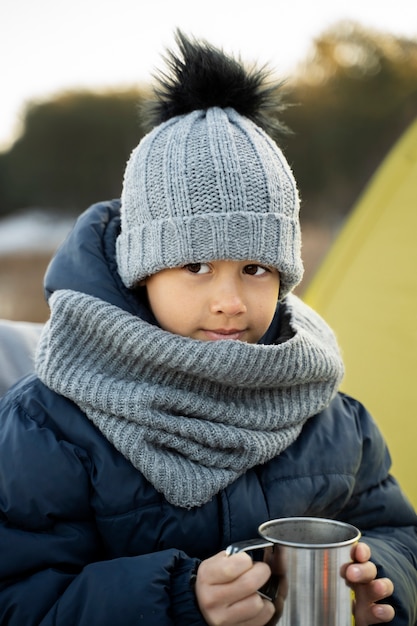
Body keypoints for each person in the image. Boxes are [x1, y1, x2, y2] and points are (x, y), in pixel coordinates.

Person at [0, 30, 416, 626]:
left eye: (255, 269)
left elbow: (399, 532)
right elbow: (18, 597)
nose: (230, 301)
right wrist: (177, 600)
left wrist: (382, 579)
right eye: (196, 266)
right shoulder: (51, 425)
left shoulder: (330, 416)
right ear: (141, 272)